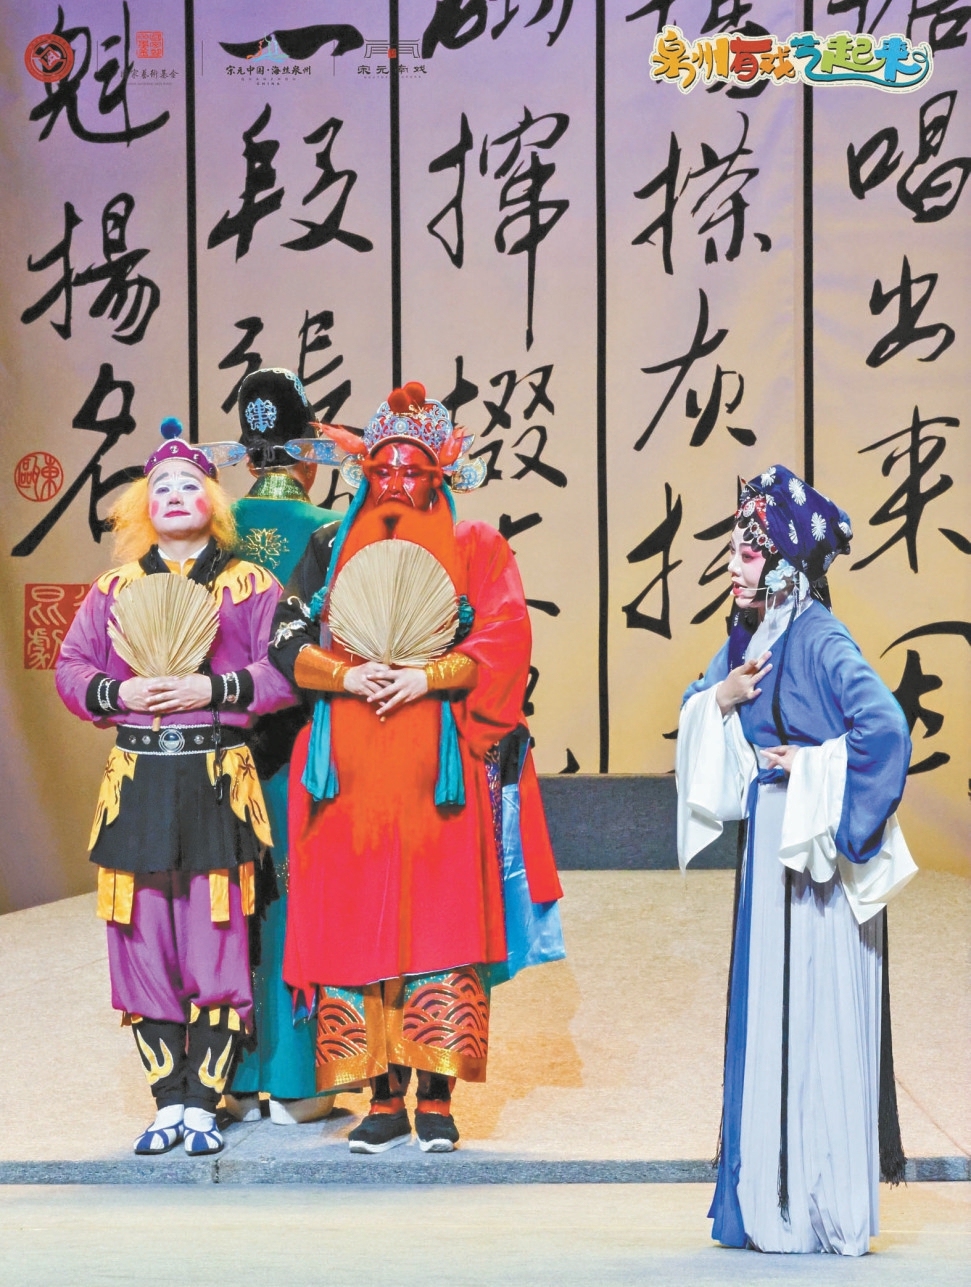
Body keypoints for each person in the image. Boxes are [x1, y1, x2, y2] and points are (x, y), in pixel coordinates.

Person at [268, 381, 565, 1154]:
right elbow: (283, 640)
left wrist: (427, 675)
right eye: (383, 469)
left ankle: (434, 1092)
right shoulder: (329, 546)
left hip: (437, 761)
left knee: (439, 918)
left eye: (412, 469)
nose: (396, 482)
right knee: (356, 918)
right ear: (363, 470)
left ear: (440, 473)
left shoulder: (475, 546)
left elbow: (504, 638)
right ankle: (378, 1092)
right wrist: (347, 674)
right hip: (346, 763)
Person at [676, 464, 917, 1255]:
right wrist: (721, 699)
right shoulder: (750, 638)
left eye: (748, 551)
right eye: (734, 549)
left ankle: (819, 1205)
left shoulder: (816, 636)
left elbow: (884, 730)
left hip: (814, 852)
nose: (733, 564)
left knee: (816, 1022)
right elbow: (696, 703)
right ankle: (770, 1201)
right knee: (773, 1020)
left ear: (785, 563)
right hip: (771, 851)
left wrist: (811, 767)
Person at [55, 421, 295, 1157]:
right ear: (142, 508)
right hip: (138, 782)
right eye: (161, 487)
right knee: (141, 938)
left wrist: (211, 688)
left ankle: (204, 1102)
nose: (177, 494)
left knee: (215, 939)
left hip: (216, 776)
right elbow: (71, 668)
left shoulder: (250, 584)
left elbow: (285, 672)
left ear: (215, 503)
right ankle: (167, 1101)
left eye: (192, 483)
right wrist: (118, 692)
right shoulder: (114, 589)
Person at [208, 367, 343, 1127]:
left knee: (225, 900)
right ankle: (299, 1079)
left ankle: (227, 1076)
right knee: (297, 892)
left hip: (217, 741)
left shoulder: (206, 527)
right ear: (309, 449)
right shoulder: (332, 529)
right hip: (305, 742)